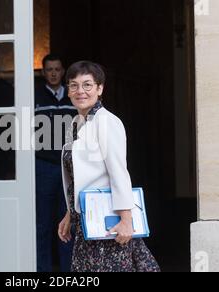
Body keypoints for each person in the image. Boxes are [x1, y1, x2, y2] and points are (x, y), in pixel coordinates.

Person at [58, 61, 160, 272]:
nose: (80, 91)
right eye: (74, 85)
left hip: (108, 222)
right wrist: (70, 213)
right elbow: (77, 177)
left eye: (87, 85)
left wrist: (126, 219)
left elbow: (118, 172)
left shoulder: (108, 122)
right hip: (86, 222)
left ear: (100, 88)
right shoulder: (75, 124)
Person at [35, 55, 77, 272]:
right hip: (42, 166)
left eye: (57, 69)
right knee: (42, 224)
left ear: (63, 72)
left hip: (69, 168)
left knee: (68, 222)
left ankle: (67, 272)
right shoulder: (33, 95)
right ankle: (42, 271)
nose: (53, 73)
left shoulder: (74, 96)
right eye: (49, 69)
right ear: (43, 72)